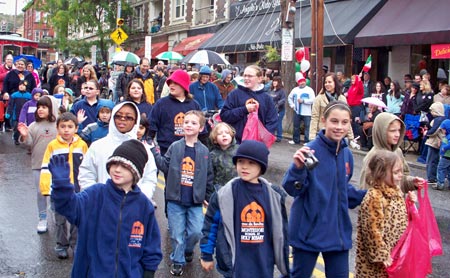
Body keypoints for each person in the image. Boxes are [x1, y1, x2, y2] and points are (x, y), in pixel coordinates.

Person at [47, 139, 163, 277]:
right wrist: (61, 186)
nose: (117, 170)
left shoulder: (144, 205)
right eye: (114, 164)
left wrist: (149, 271)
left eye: (125, 166)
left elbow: (152, 244)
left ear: (136, 172)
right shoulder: (95, 194)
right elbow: (69, 207)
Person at [282, 101, 366, 277]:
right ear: (323, 121)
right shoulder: (310, 151)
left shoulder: (346, 154)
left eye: (344, 122)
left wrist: (371, 196)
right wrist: (297, 169)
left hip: (337, 232)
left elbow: (341, 189)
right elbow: (292, 189)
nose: (339, 127)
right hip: (309, 230)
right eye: (334, 121)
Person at [200, 140, 290, 277]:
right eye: (241, 161)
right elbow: (211, 225)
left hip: (263, 262)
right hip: (235, 263)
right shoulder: (224, 195)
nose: (244, 167)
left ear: (261, 167)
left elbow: (281, 233)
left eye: (251, 163)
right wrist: (206, 254)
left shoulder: (273, 197)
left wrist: (285, 266)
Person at [150, 110, 214, 276]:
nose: (188, 125)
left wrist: (207, 196)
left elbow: (208, 176)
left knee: (196, 231)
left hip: (195, 201)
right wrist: (154, 152)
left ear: (201, 128)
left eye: (193, 123)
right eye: (186, 122)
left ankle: (188, 249)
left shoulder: (204, 151)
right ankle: (177, 260)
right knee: (177, 234)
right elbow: (164, 165)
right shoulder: (175, 147)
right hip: (175, 200)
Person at [355, 150, 423, 277]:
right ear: (380, 174)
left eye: (401, 171)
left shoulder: (395, 190)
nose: (400, 175)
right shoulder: (374, 197)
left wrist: (409, 204)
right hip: (377, 265)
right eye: (396, 172)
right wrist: (382, 255)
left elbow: (399, 218)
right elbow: (372, 231)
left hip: (395, 254)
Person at [78, 101, 158, 202]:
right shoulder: (97, 146)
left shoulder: (143, 149)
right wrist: (94, 198)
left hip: (133, 207)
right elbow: (86, 174)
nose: (122, 120)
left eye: (128, 117)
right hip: (101, 206)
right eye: (118, 116)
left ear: (135, 121)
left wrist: (140, 199)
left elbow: (149, 178)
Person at [40, 112, 89, 259]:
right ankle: (61, 245)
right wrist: (46, 187)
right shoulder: (52, 146)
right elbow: (46, 167)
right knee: (60, 220)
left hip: (77, 191)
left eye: (70, 126)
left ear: (76, 128)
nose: (66, 130)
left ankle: (76, 245)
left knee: (76, 220)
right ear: (57, 128)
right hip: (58, 192)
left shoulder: (82, 145)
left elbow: (87, 168)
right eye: (63, 127)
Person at [17, 96, 58, 234]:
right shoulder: (33, 126)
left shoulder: (58, 124)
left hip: (56, 165)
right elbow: (28, 144)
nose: (40, 110)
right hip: (38, 164)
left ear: (52, 108)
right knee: (41, 192)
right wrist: (24, 136)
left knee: (56, 192)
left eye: (44, 107)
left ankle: (56, 215)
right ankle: (42, 218)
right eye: (39, 107)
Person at [149, 70, 202, 155]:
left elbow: (202, 131)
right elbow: (151, 127)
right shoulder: (161, 104)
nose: (171, 85)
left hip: (189, 150)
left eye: (175, 83)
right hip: (166, 150)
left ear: (183, 85)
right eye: (170, 83)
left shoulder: (194, 105)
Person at [220, 65, 278, 144]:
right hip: (236, 143)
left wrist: (263, 138)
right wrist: (244, 109)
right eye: (245, 75)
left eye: (250, 76)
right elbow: (225, 116)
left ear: (260, 78)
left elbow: (272, 121)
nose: (246, 78)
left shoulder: (266, 98)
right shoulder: (235, 94)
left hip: (257, 145)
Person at [359, 112, 411, 189]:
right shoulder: (373, 157)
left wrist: (412, 183)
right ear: (381, 132)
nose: (397, 134)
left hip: (397, 199)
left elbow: (403, 175)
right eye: (392, 131)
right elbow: (365, 188)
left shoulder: (397, 151)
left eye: (399, 130)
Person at [309, 72, 356, 144]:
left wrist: (351, 137)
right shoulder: (319, 99)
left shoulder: (342, 99)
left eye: (329, 82)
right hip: (323, 134)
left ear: (335, 83)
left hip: (338, 135)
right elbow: (314, 117)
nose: (327, 84)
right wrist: (312, 137)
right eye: (325, 82)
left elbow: (346, 119)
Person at [209, 122, 238, 189]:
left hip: (237, 186)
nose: (224, 135)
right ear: (215, 140)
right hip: (219, 188)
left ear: (231, 135)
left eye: (227, 133)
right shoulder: (212, 155)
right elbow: (210, 174)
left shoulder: (239, 151)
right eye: (220, 134)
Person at [288, 72, 315, 145]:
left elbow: (313, 100)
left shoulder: (309, 90)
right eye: (300, 82)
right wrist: (293, 105)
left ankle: (307, 141)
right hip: (297, 111)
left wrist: (304, 101)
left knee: (307, 127)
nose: (302, 83)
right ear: (298, 83)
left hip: (307, 112)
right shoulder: (295, 90)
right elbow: (289, 98)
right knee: (296, 126)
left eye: (303, 81)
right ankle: (296, 140)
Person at [425, 102, 446, 188]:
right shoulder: (443, 118)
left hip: (434, 142)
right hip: (439, 142)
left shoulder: (438, 119)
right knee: (435, 161)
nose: (431, 112)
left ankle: (431, 178)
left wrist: (426, 133)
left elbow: (434, 131)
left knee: (431, 161)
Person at [7, 80, 32, 145]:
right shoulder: (14, 95)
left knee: (26, 127)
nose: (21, 86)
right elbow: (10, 105)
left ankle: (25, 139)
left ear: (26, 87)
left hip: (26, 115)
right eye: (20, 85)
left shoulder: (29, 96)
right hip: (16, 114)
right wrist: (9, 112)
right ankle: (16, 138)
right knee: (17, 127)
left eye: (23, 85)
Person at [266, 76, 286, 142]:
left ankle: (279, 136)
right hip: (271, 110)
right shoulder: (270, 90)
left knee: (278, 123)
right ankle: (272, 136)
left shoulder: (281, 91)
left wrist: (277, 104)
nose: (274, 82)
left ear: (279, 82)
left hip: (279, 110)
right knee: (271, 123)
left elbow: (283, 100)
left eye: (276, 81)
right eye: (273, 81)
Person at [347, 74, 364, 138]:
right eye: (351, 79)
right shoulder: (351, 87)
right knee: (351, 121)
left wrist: (359, 80)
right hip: (350, 106)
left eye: (354, 79)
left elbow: (361, 89)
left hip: (356, 106)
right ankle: (352, 134)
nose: (352, 80)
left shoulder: (358, 86)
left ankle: (357, 135)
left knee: (355, 121)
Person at [436, 119, 450, 190]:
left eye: (443, 129)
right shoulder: (447, 136)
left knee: (441, 168)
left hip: (446, 156)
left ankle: (440, 184)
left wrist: (444, 148)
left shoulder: (449, 136)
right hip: (447, 156)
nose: (443, 131)